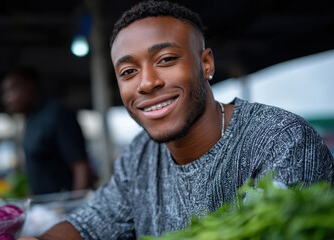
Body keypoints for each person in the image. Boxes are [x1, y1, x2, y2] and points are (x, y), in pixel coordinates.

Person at [19, 1, 334, 239]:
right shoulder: (139, 155)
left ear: (206, 63)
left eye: (166, 59)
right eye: (128, 72)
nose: (147, 82)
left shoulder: (280, 140)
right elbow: (89, 224)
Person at [1, 67, 92, 195]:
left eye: (11, 90)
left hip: (63, 205)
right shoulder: (31, 119)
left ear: (30, 86)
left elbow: (81, 166)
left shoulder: (56, 114)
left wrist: (76, 207)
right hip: (45, 207)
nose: (7, 99)